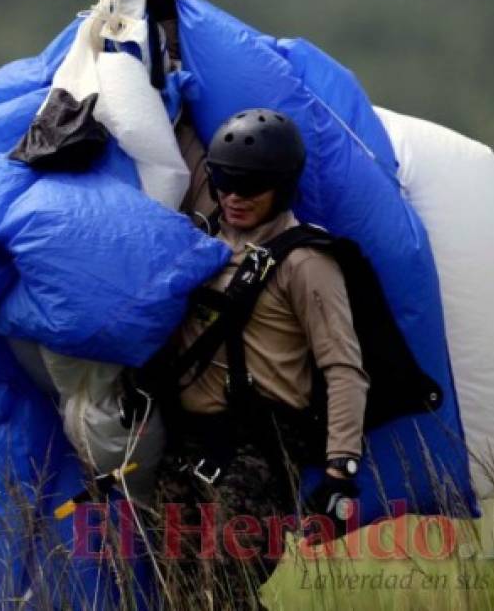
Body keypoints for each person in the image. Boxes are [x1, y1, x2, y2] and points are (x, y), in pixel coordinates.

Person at [146, 107, 371, 609]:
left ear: (282, 188)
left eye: (250, 188)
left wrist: (340, 472)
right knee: (179, 598)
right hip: (184, 446)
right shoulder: (204, 239)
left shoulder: (307, 262)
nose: (234, 197)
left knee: (227, 593)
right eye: (225, 182)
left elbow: (344, 369)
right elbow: (172, 141)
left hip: (260, 453)